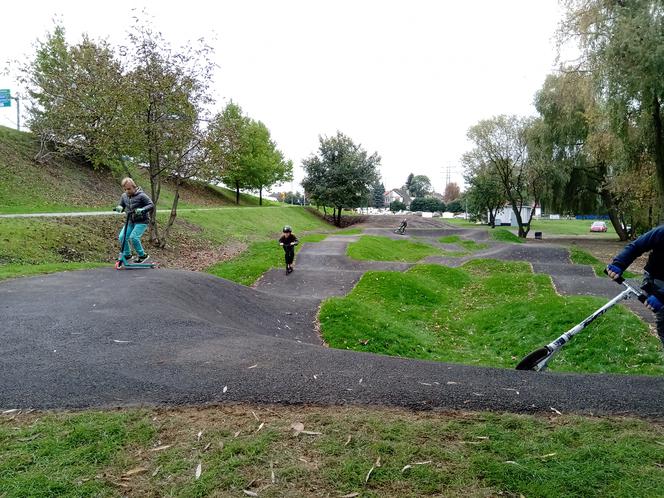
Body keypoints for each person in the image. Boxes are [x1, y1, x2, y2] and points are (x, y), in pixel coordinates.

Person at [606, 225, 664, 346]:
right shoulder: (661, 232)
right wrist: (619, 264)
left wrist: (662, 295)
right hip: (657, 280)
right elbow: (636, 246)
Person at [113, 177, 154, 263]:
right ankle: (127, 255)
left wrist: (143, 210)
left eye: (129, 189)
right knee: (122, 237)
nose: (127, 191)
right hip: (130, 221)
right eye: (125, 189)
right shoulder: (124, 196)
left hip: (142, 221)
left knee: (134, 237)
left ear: (134, 186)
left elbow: (151, 205)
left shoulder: (142, 195)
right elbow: (121, 205)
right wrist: (119, 208)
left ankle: (142, 255)